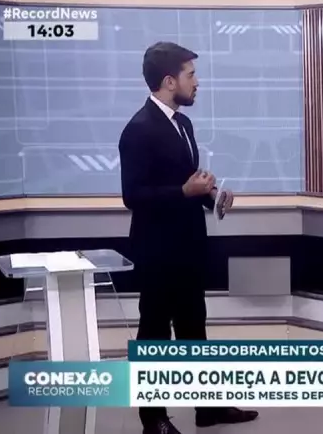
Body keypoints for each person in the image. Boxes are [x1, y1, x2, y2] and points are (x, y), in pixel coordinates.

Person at [119, 41, 258, 434]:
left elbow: (187, 183)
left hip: (189, 247)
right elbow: (134, 196)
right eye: (191, 75)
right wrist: (184, 191)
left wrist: (213, 196)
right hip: (157, 251)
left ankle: (208, 407)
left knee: (194, 326)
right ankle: (153, 419)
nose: (197, 83)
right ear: (169, 81)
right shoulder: (138, 130)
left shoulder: (183, 124)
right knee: (155, 333)